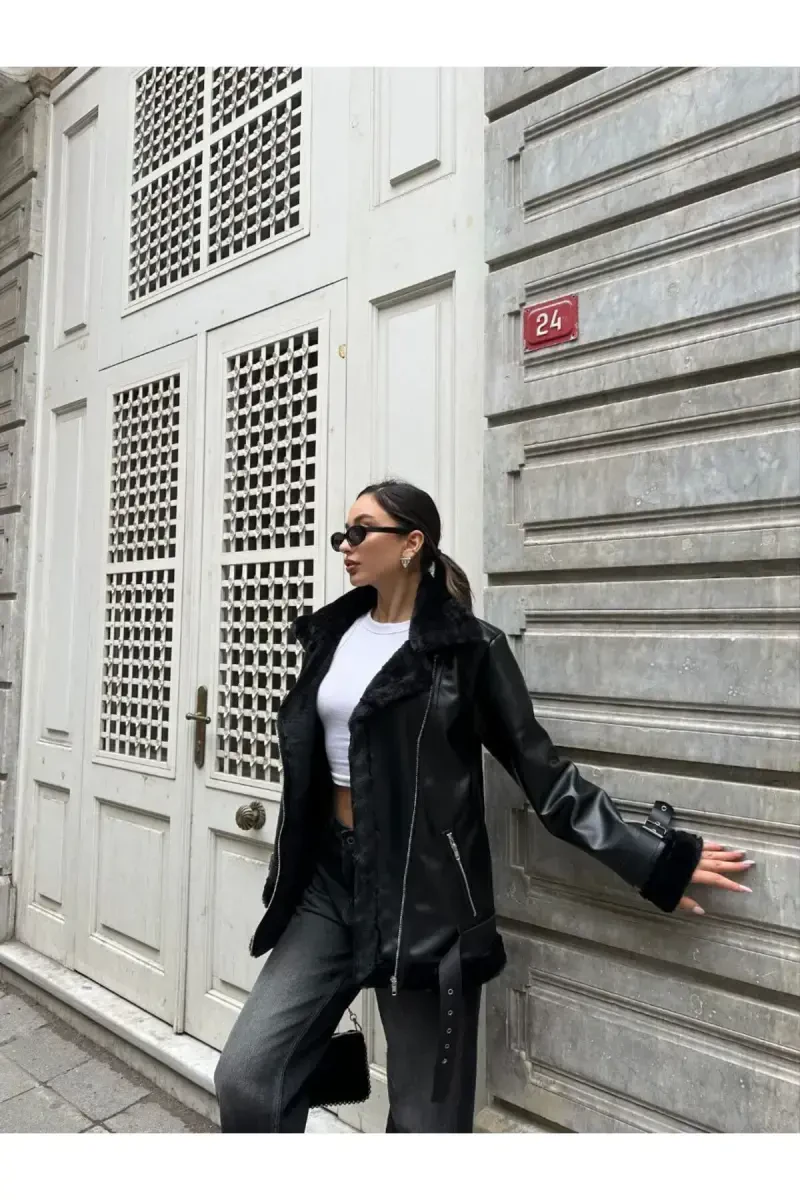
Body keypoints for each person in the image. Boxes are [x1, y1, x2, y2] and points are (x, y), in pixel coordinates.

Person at [214, 479, 755, 1133]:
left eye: (360, 531)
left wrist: (655, 860)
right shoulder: (333, 637)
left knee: (425, 1123)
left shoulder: (469, 650)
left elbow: (544, 776)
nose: (345, 546)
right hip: (329, 884)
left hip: (425, 903)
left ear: (412, 543)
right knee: (247, 1076)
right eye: (342, 534)